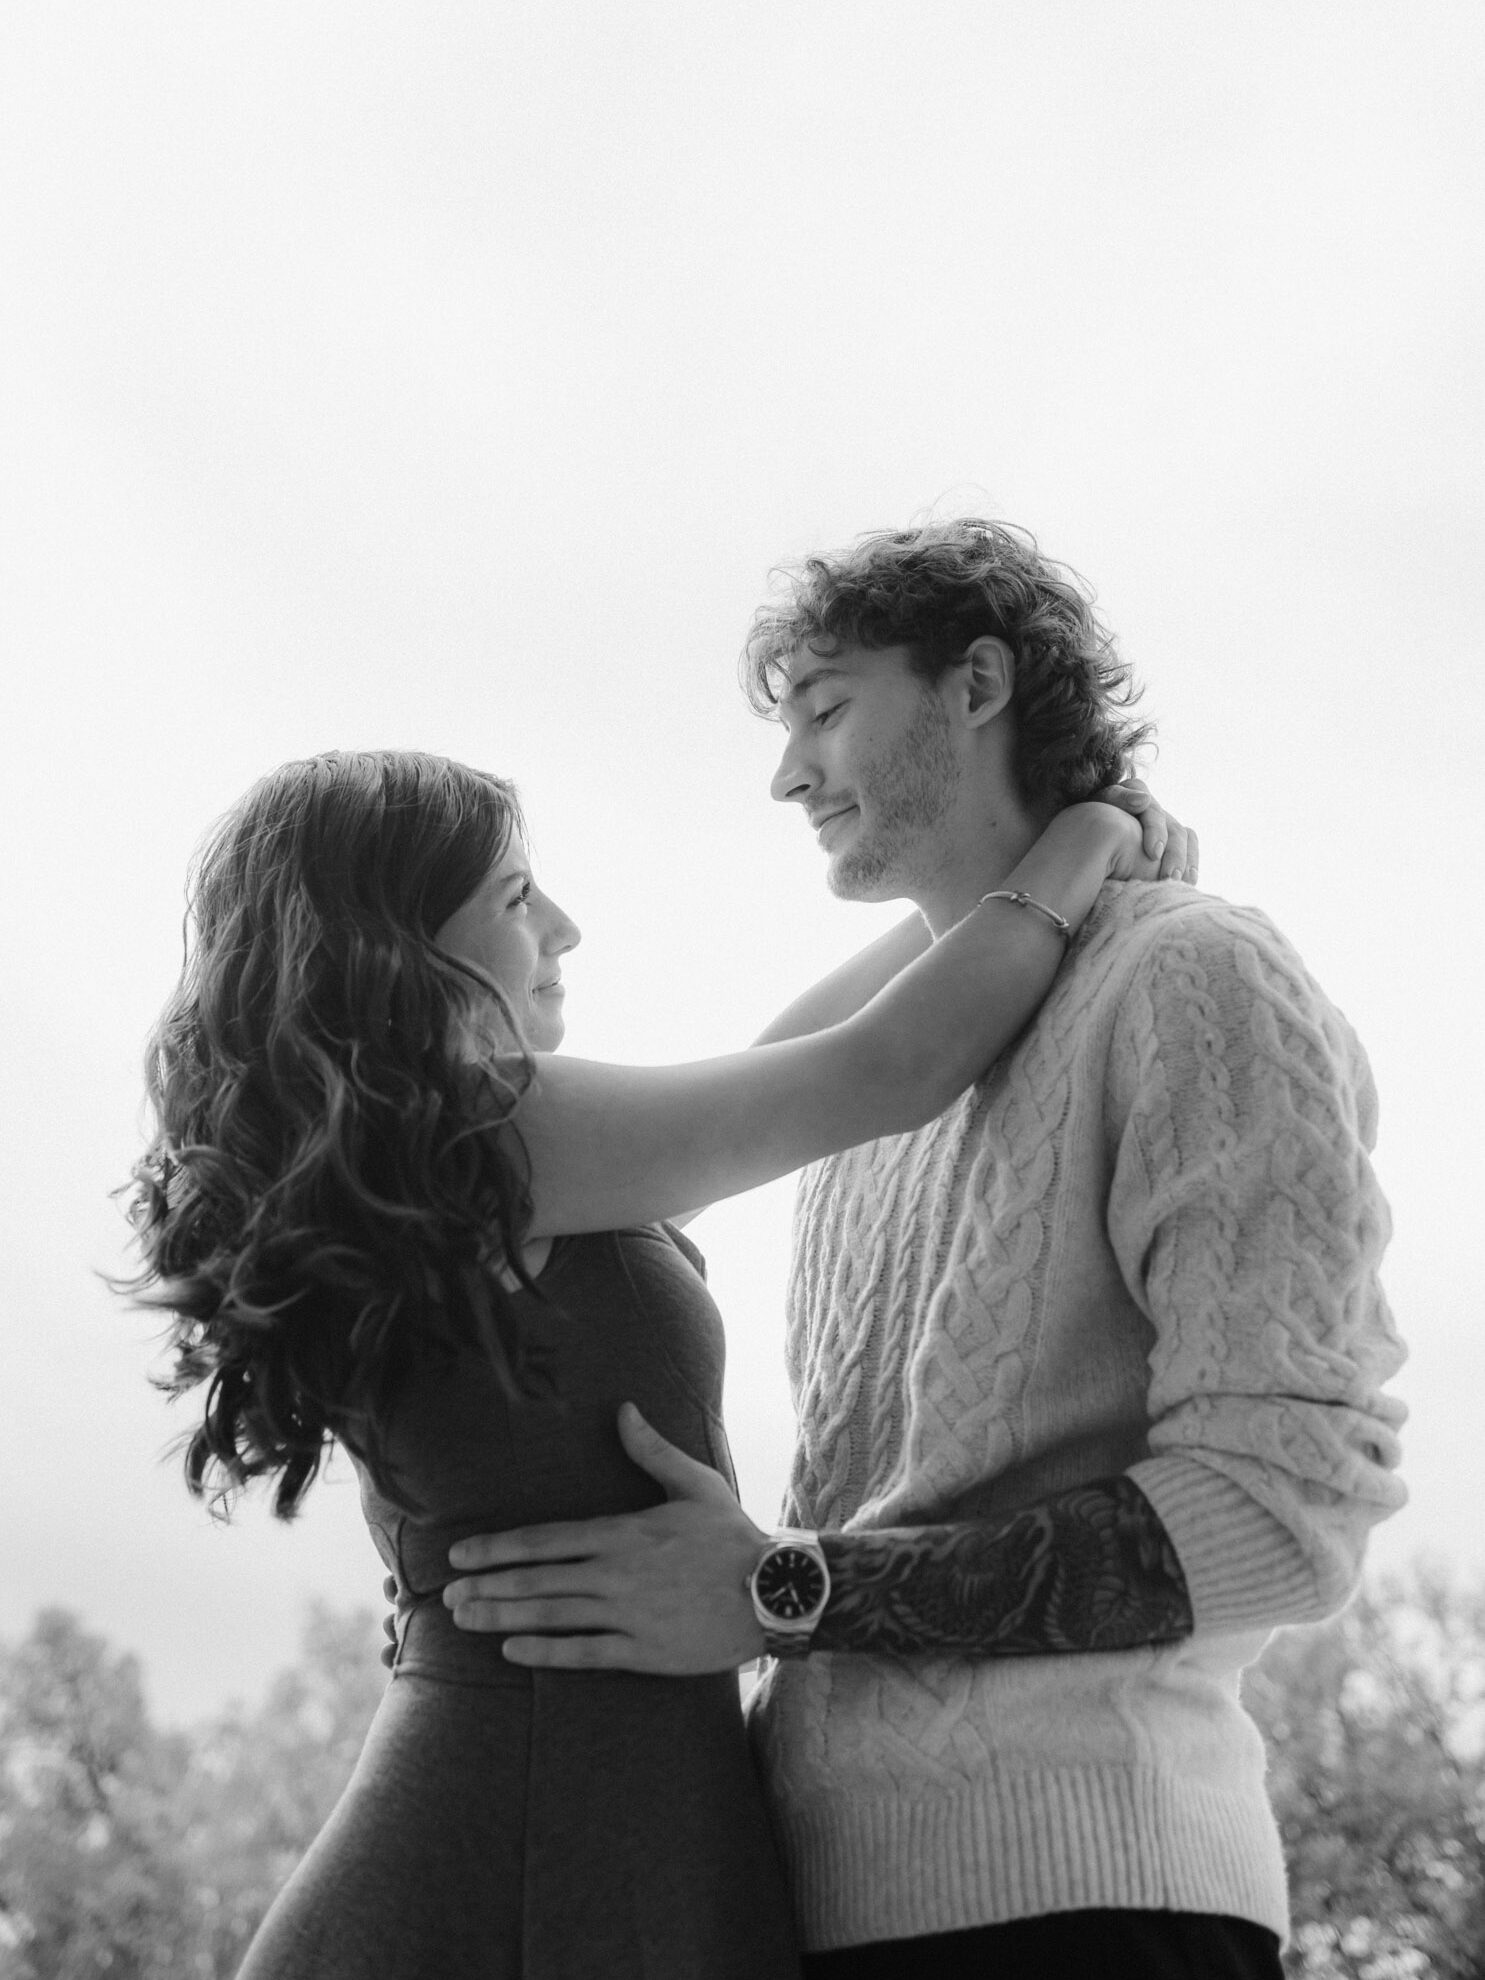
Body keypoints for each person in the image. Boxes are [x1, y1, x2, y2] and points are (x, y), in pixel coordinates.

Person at [441, 520, 1408, 1980]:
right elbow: (877, 1052)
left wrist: (788, 1591)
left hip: (1093, 1904)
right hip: (820, 1902)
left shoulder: (1195, 978)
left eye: (826, 709)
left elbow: (1283, 1509)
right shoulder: (874, 1085)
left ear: (976, 685)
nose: (787, 773)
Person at [126, 745, 1184, 1980]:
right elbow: (881, 1068)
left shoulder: (468, 1154)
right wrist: (1088, 842)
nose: (566, 927)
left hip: (584, 1802)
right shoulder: (483, 1133)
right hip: (527, 1832)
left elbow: (789, 1059)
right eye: (518, 900)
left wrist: (1009, 871)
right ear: (396, 947)